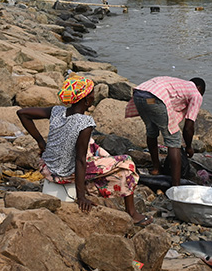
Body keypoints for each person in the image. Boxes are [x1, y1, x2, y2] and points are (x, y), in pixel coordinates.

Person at [17, 74, 151, 225]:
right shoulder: (85, 123)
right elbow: (80, 160)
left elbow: (22, 113)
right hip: (65, 174)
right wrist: (81, 196)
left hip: (47, 166)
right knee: (128, 163)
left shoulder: (56, 111)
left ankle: (102, 167)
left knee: (91, 144)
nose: (94, 97)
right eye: (92, 94)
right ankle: (132, 213)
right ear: (87, 100)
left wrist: (41, 142)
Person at [124, 76, 206, 186]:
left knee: (151, 130)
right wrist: (189, 147)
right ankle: (175, 184)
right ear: (200, 89)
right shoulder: (196, 94)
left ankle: (156, 169)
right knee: (174, 139)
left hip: (141, 96)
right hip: (156, 97)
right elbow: (188, 126)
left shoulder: (180, 85)